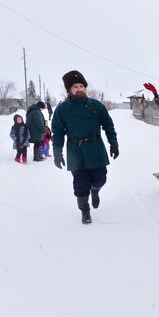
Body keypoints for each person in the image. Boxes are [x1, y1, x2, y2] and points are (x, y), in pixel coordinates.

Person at [52, 70, 119, 224]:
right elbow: (57, 133)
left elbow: (108, 125)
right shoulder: (62, 109)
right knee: (80, 185)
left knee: (101, 178)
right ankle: (85, 211)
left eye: (82, 85)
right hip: (76, 151)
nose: (79, 89)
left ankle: (95, 191)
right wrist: (57, 152)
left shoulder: (96, 105)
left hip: (95, 148)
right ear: (69, 90)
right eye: (75, 86)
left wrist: (114, 144)